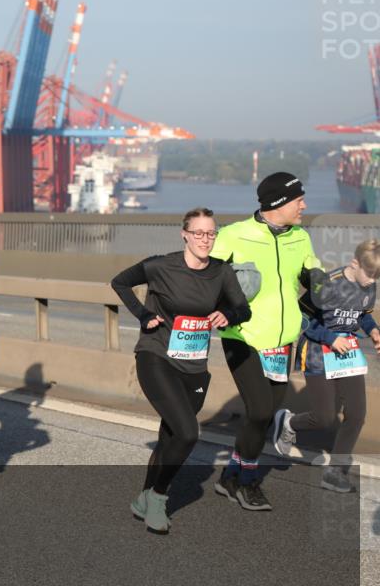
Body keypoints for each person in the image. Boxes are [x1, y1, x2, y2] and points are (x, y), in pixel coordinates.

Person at [111, 208, 251, 533]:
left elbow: (243, 308)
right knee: (188, 432)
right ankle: (159, 498)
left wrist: (229, 315)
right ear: (185, 234)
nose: (205, 239)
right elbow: (120, 282)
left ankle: (143, 497)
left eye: (211, 233)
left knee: (169, 437)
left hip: (194, 367)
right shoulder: (162, 265)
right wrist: (143, 314)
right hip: (156, 356)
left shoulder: (221, 272)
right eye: (199, 233)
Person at [209, 171, 320, 511]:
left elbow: (314, 280)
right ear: (278, 203)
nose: (304, 204)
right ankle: (247, 482)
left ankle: (230, 476)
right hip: (243, 337)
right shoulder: (233, 236)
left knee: (266, 413)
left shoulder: (300, 237)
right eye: (298, 199)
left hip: (282, 342)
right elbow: (204, 279)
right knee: (258, 411)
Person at [273, 239, 380, 492]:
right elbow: (299, 317)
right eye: (370, 274)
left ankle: (335, 472)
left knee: (356, 415)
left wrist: (374, 330)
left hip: (348, 354)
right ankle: (288, 423)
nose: (373, 281)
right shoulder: (327, 284)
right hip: (318, 353)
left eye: (378, 276)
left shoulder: (369, 285)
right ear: (355, 263)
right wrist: (330, 338)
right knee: (324, 419)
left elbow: (362, 315)